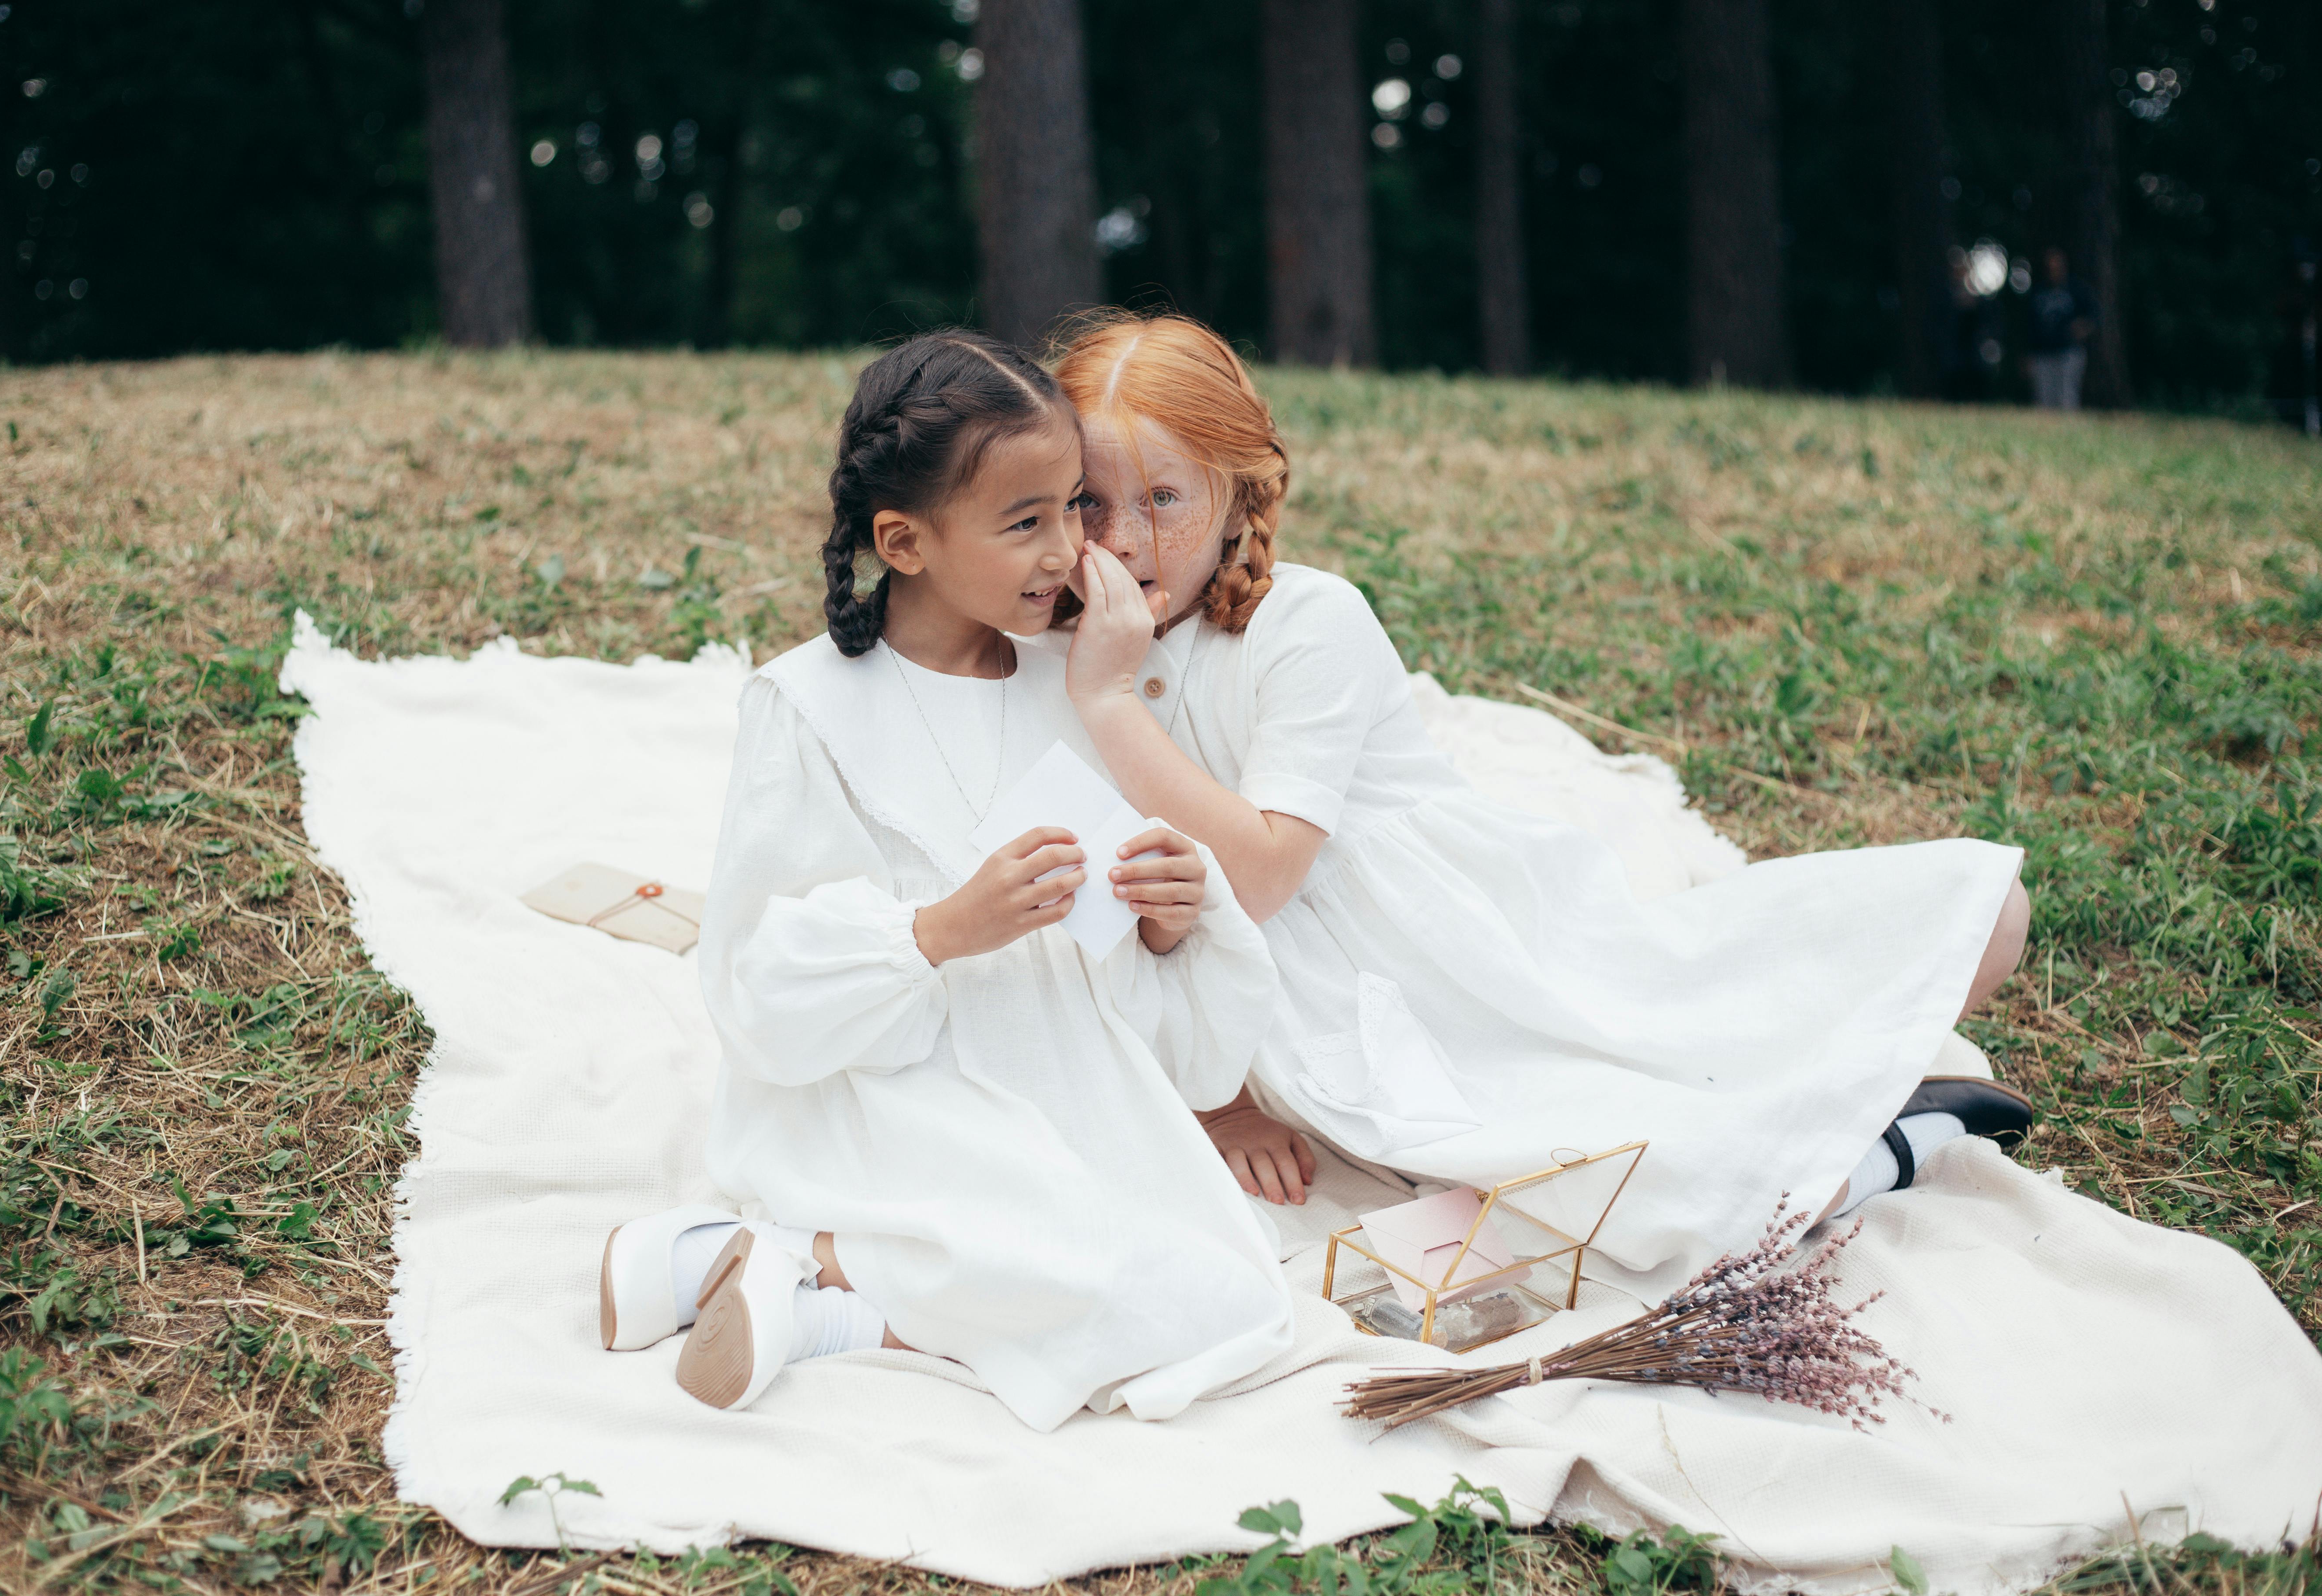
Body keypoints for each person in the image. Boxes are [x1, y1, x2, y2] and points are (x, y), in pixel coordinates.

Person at [1043, 311, 2036, 1299]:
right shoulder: (1053, 662)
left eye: (1163, 498)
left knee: (1980, 917)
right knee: (1582, 1221)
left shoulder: (1302, 620)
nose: (1124, 541)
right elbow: (1114, 914)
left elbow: (1258, 875)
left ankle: (1851, 1126)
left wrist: (1108, 699)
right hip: (1308, 1034)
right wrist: (1218, 1107)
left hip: (1481, 969)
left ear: (1236, 497)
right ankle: (1876, 1146)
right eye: (1090, 503)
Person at [596, 330, 1295, 1428]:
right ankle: (813, 1265)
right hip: (889, 1088)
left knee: (1221, 1292)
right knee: (1082, 1269)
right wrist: (936, 930)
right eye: (1026, 523)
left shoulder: (1071, 681)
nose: (1069, 549)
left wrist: (1170, 918)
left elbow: (1118, 948)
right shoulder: (808, 706)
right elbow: (753, 982)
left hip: (1057, 1074)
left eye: (1074, 507)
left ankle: (770, 1275)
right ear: (903, 541)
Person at [2025, 247, 2097, 410]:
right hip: (2042, 352)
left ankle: (2068, 433)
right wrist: (2029, 353)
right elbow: (2030, 326)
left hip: (2069, 351)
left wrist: (2083, 326)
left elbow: (2094, 314)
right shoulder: (2039, 291)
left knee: (2067, 396)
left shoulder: (2077, 289)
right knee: (2043, 399)